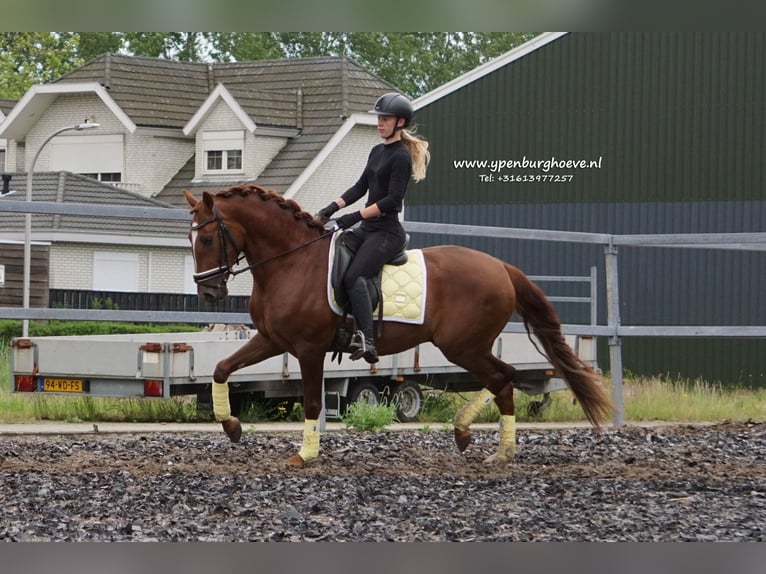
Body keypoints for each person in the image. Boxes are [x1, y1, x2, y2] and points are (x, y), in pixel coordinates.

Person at [315, 92, 430, 363]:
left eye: (385, 119)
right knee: (334, 259)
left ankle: (367, 340)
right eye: (378, 118)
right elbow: (360, 188)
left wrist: (354, 217)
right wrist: (330, 209)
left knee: (355, 276)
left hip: (387, 233)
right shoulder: (377, 151)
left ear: (400, 122)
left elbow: (392, 201)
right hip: (368, 229)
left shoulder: (401, 157)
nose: (379, 123)